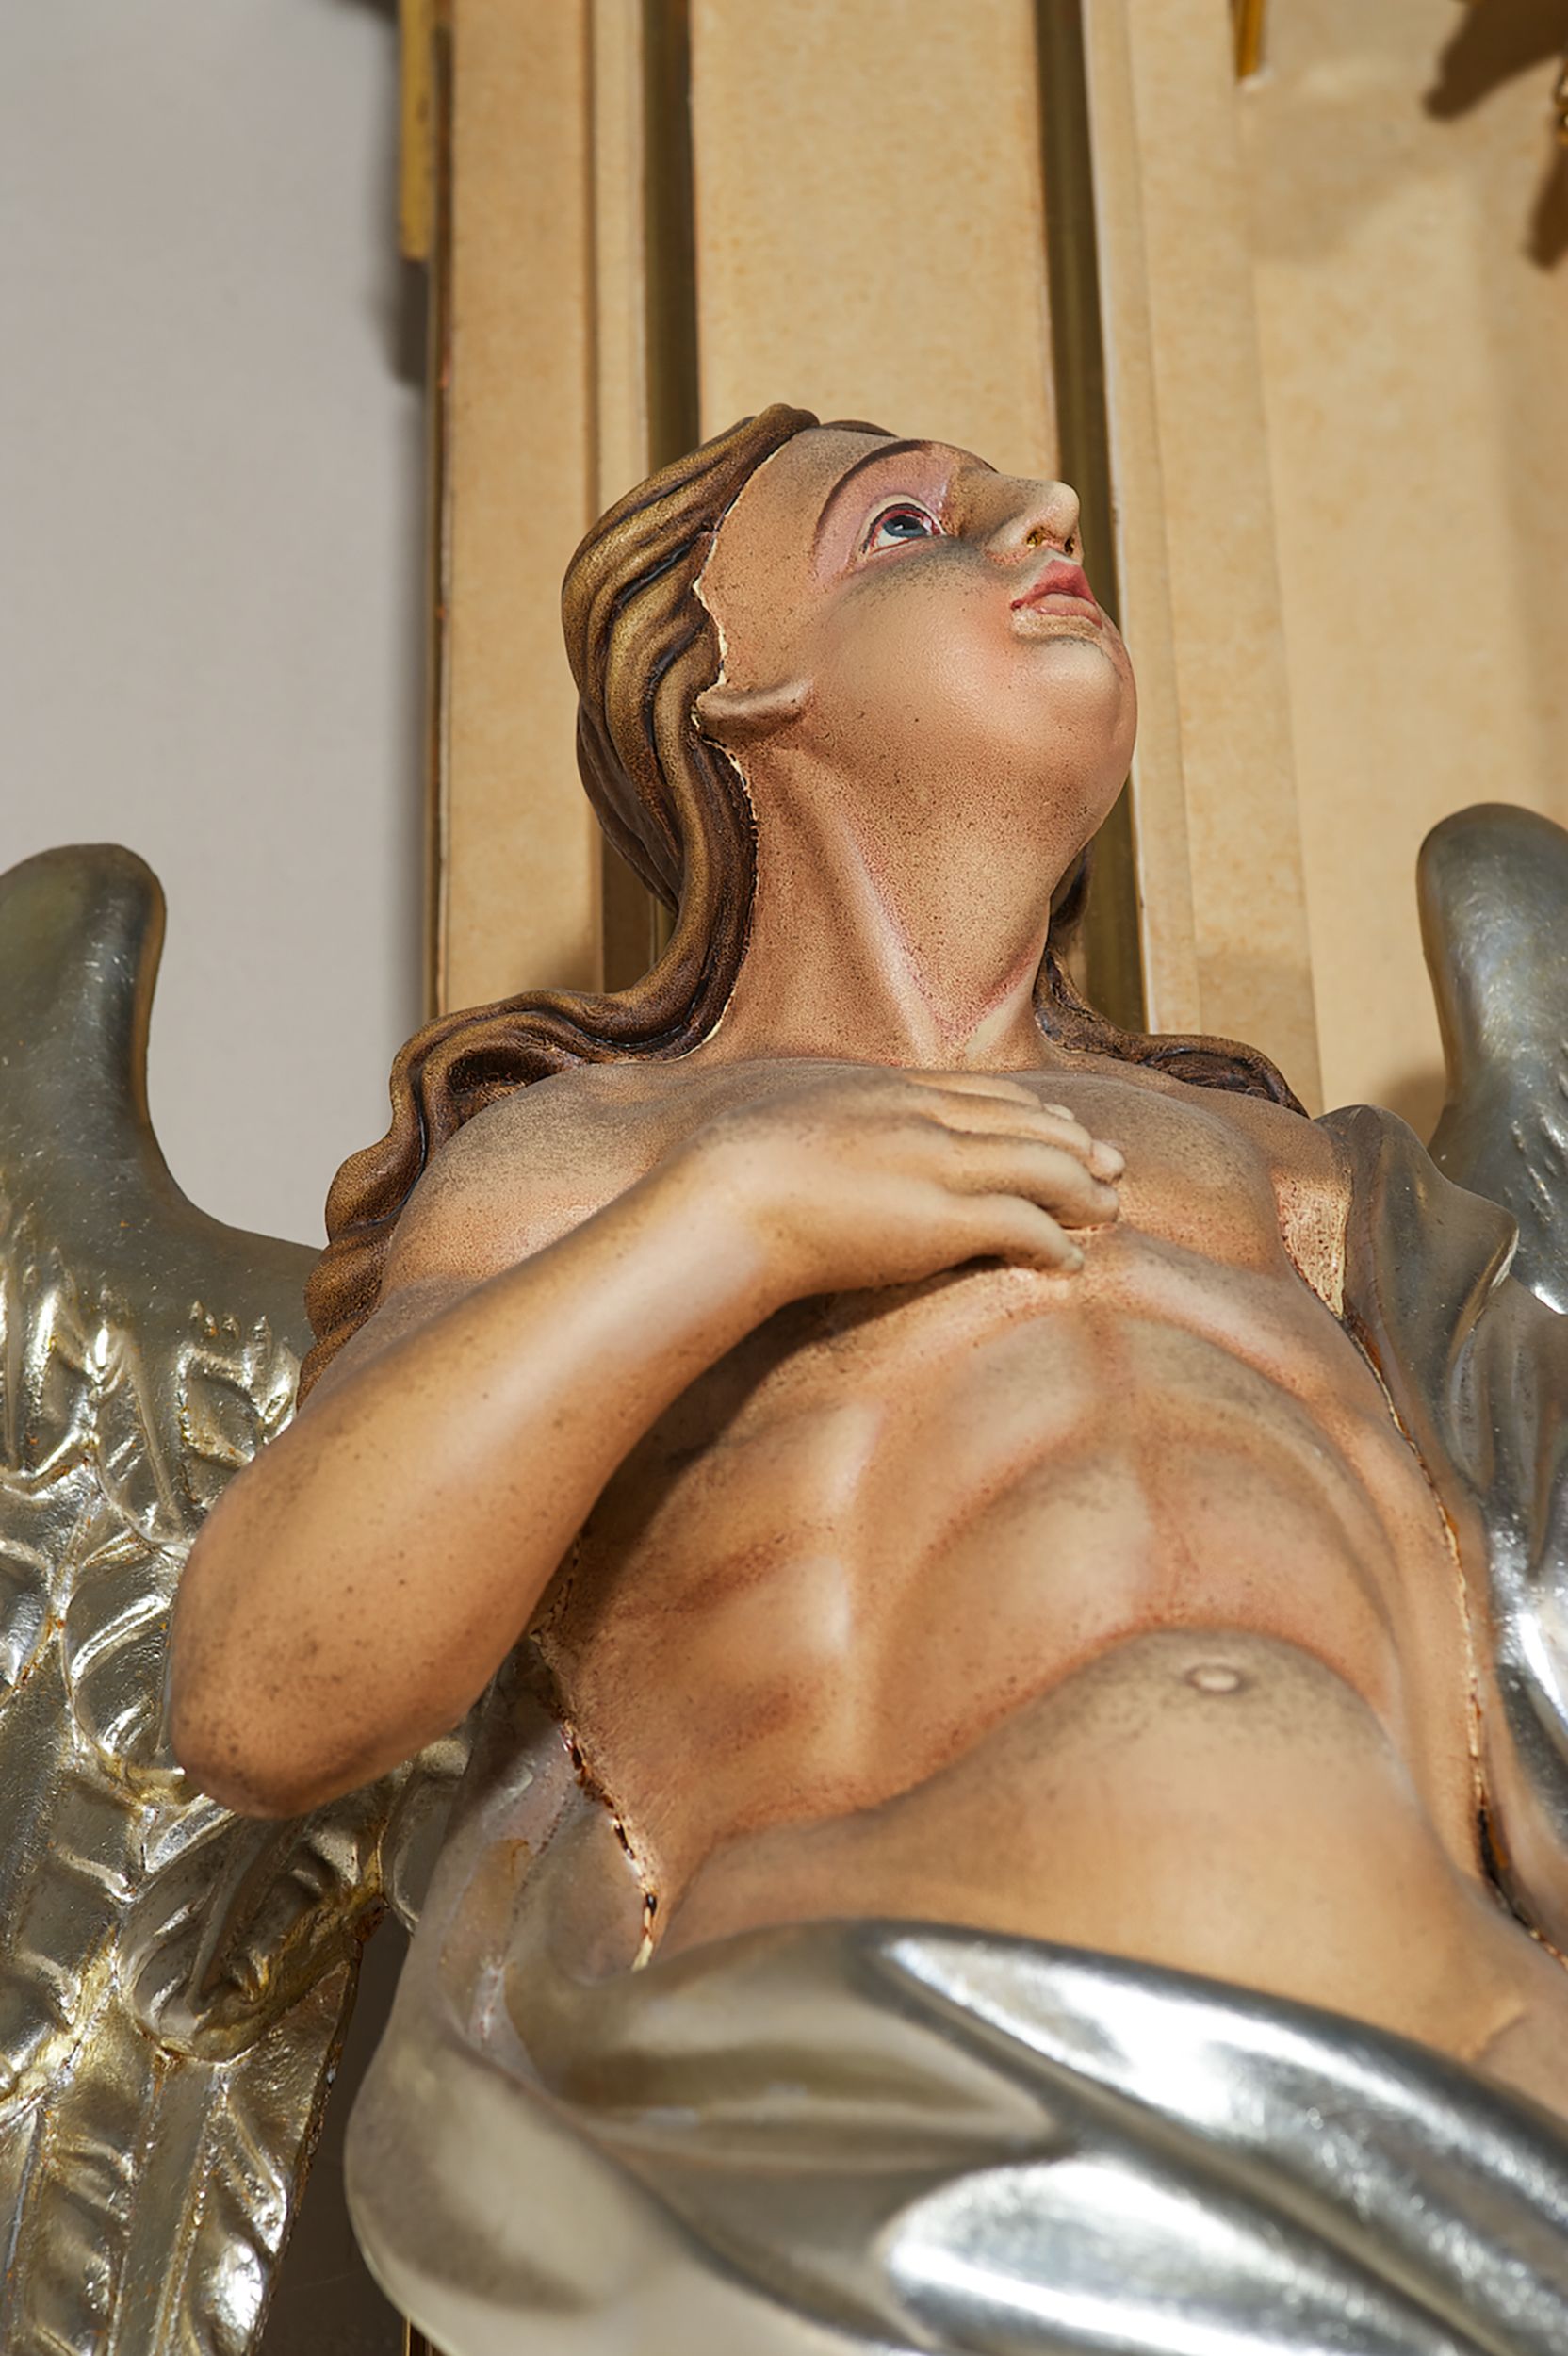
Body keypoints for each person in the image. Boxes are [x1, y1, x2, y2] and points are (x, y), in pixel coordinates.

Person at [170, 405, 1568, 2119]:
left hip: (1477, 2074)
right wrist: (734, 1224)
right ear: (738, 687)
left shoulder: (1318, 1190)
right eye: (903, 525)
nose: (1048, 509)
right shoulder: (590, 1167)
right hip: (895, 2102)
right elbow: (260, 1690)